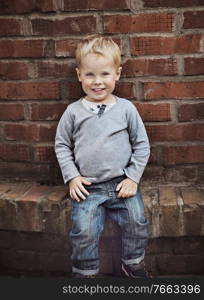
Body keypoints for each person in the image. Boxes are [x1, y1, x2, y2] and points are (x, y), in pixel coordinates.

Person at [55, 34, 150, 278]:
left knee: (137, 221)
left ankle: (133, 263)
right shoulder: (73, 112)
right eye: (90, 75)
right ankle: (85, 274)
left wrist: (133, 178)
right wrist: (72, 177)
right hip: (87, 188)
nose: (97, 82)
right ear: (79, 75)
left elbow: (142, 145)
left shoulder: (126, 109)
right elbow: (62, 145)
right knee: (83, 231)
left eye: (105, 74)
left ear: (117, 73)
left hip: (122, 184)